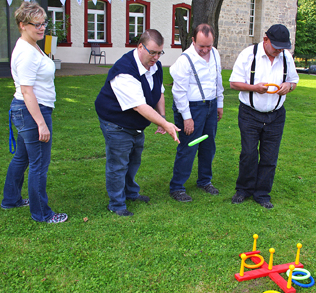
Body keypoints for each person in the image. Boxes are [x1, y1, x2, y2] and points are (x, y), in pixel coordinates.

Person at [95, 29, 180, 216]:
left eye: (160, 53)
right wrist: (166, 125)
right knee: (118, 163)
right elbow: (140, 107)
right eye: (153, 52)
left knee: (133, 160)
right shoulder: (124, 71)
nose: (156, 57)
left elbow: (159, 93)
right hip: (115, 121)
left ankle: (131, 192)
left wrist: (162, 118)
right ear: (140, 46)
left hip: (136, 125)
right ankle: (117, 204)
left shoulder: (154, 66)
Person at [2, 1, 68, 223]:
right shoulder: (27, 52)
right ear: (22, 25)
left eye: (44, 23)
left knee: (22, 158)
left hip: (28, 109)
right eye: (36, 24)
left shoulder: (33, 46)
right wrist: (40, 123)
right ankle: (42, 214)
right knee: (39, 164)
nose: (42, 28)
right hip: (33, 110)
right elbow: (27, 91)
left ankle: (11, 199)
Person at [229, 24, 299, 209]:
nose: (279, 51)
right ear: (265, 39)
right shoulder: (248, 55)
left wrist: (288, 87)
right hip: (249, 114)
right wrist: (255, 88)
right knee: (249, 154)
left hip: (275, 116)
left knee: (269, 157)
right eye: (276, 47)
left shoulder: (286, 58)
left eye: (282, 47)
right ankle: (243, 190)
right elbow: (234, 84)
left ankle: (262, 194)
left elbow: (294, 81)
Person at [169, 24, 224, 202]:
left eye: (209, 46)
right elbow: (178, 92)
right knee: (188, 147)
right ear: (193, 41)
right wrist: (187, 117)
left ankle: (204, 181)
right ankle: (177, 187)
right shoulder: (185, 60)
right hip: (191, 108)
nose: (206, 50)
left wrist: (219, 103)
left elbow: (218, 79)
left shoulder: (214, 53)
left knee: (208, 146)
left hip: (210, 105)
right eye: (202, 46)